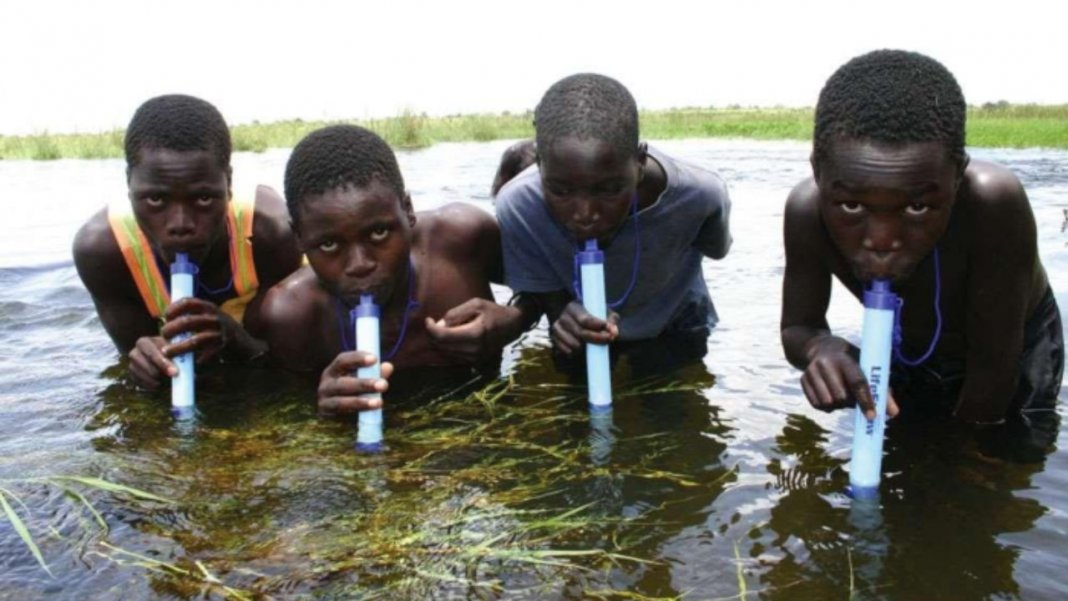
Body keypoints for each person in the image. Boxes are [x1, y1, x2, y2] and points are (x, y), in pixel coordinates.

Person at [780, 49, 1062, 462]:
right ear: (818, 172)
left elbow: (994, 364)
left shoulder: (992, 205)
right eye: (853, 207)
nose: (882, 239)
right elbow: (798, 328)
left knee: (1001, 456)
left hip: (1010, 347)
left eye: (917, 208)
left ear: (957, 175)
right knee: (903, 443)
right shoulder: (807, 212)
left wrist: (959, 468)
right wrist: (820, 349)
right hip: (906, 339)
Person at [259, 124, 524, 414]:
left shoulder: (462, 241)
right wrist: (321, 409)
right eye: (329, 244)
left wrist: (516, 320)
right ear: (298, 238)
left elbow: (542, 291)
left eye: (379, 233)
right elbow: (288, 417)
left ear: (407, 210)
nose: (359, 264)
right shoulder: (291, 316)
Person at [494, 73, 732, 369]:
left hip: (677, 322)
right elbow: (543, 290)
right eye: (561, 191)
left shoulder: (700, 195)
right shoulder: (519, 205)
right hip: (582, 326)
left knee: (672, 404)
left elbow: (716, 249)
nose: (584, 213)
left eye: (608, 190)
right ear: (540, 165)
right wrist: (563, 314)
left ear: (640, 163)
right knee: (577, 405)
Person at [72, 94, 301, 390]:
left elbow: (280, 359)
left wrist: (235, 339)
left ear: (228, 184)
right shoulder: (102, 251)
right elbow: (132, 357)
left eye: (204, 199)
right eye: (156, 199)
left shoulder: (270, 232)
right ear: (129, 184)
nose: (180, 224)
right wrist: (145, 366)